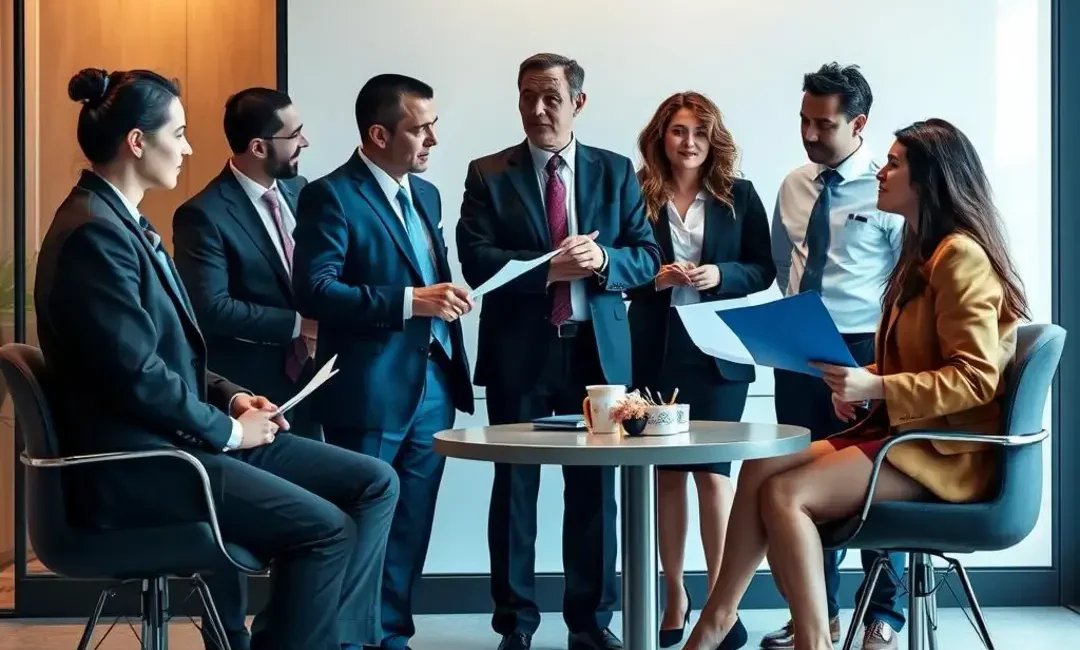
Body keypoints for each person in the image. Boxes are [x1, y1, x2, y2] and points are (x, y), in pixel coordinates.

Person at [35, 67, 399, 650]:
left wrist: (230, 395)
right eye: (178, 133)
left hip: (178, 445)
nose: (189, 148)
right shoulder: (93, 236)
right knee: (325, 529)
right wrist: (229, 430)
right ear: (137, 142)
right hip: (146, 466)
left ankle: (333, 640)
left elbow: (163, 357)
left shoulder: (117, 224)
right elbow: (137, 378)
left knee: (374, 483)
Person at [682, 117, 1029, 650]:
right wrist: (870, 385)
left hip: (943, 453)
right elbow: (926, 356)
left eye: (894, 164)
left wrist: (877, 388)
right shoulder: (923, 252)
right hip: (902, 432)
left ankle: (814, 641)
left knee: (786, 494)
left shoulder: (960, 257)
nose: (881, 173)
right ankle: (717, 618)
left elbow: (976, 378)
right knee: (762, 464)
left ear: (928, 180)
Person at [456, 53, 661, 650]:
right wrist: (547, 269)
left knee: (596, 494)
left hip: (597, 356)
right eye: (527, 96)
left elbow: (645, 255)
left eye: (550, 96)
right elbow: (475, 259)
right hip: (522, 350)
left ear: (579, 102)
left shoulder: (616, 171)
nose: (538, 109)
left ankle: (590, 625)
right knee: (515, 490)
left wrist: (604, 262)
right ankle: (514, 625)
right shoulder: (488, 172)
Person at [292, 73, 476, 650]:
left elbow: (427, 278)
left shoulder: (427, 195)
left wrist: (444, 298)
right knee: (357, 529)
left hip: (434, 386)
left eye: (433, 127)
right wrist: (409, 302)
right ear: (377, 134)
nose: (432, 141)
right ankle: (347, 642)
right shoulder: (330, 195)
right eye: (419, 129)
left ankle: (391, 637)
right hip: (368, 392)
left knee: (411, 527)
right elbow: (314, 291)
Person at [625, 91, 774, 648]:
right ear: (661, 136)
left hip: (719, 354)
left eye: (700, 133)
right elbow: (614, 269)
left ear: (714, 141)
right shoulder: (635, 193)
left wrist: (719, 275)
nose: (689, 143)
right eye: (679, 131)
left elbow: (763, 269)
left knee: (715, 476)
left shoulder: (741, 196)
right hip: (656, 350)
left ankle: (720, 604)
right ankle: (674, 596)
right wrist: (653, 281)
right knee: (667, 476)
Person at [766, 62, 906, 650]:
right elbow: (783, 263)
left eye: (823, 124)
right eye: (804, 120)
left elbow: (908, 277)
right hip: (801, 349)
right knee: (800, 478)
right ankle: (812, 615)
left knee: (871, 481)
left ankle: (883, 615)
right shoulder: (794, 184)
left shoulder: (890, 187)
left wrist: (882, 357)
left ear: (858, 124)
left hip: (866, 352)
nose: (809, 134)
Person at [173, 87, 322, 444]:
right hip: (251, 391)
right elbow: (211, 308)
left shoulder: (300, 190)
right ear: (258, 147)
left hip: (312, 381)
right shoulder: (202, 215)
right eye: (294, 134)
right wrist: (301, 324)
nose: (305, 141)